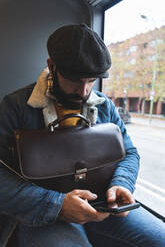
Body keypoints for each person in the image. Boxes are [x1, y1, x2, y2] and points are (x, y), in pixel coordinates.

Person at [0, 23, 165, 247]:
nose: (84, 92)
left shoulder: (104, 105)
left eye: (91, 81)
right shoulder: (15, 107)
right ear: (52, 66)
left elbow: (130, 153)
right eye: (76, 81)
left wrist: (121, 183)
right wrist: (57, 204)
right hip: (44, 213)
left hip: (103, 203)